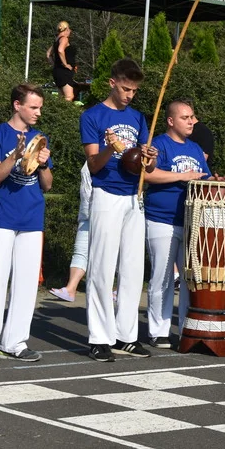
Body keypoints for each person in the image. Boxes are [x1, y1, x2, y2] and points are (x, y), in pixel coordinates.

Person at [0, 85, 53, 366]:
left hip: (32, 219)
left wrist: (43, 165)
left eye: (40, 107)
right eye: (33, 107)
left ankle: (14, 343)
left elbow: (48, 184)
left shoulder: (40, 138)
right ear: (17, 105)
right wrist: (15, 156)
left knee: (26, 284)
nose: (38, 112)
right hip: (3, 218)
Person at [79, 59, 153, 362]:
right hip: (106, 194)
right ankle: (99, 337)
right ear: (112, 83)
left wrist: (150, 156)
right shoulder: (92, 116)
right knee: (101, 267)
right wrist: (111, 147)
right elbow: (93, 164)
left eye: (134, 90)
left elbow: (147, 161)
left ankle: (126, 336)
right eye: (125, 89)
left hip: (134, 196)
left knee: (134, 269)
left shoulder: (138, 117)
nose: (129, 95)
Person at [143, 100, 209, 349]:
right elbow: (148, 175)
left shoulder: (194, 148)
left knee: (191, 279)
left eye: (192, 117)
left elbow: (205, 176)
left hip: (191, 221)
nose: (191, 121)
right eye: (185, 117)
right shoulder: (159, 144)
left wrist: (219, 180)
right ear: (171, 121)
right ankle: (158, 330)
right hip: (161, 218)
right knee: (162, 277)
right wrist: (183, 175)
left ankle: (187, 328)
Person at [49, 163, 91, 303]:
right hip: (87, 213)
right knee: (80, 250)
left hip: (108, 213)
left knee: (108, 253)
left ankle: (112, 290)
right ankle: (70, 289)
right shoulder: (91, 159)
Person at [47, 21, 79, 102]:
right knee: (69, 96)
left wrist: (54, 64)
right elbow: (60, 50)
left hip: (58, 71)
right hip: (64, 72)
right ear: (66, 29)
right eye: (69, 29)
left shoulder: (56, 40)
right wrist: (65, 64)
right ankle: (66, 114)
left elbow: (48, 54)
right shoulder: (64, 39)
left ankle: (60, 113)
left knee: (61, 97)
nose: (70, 32)